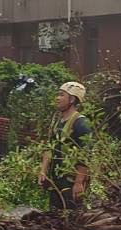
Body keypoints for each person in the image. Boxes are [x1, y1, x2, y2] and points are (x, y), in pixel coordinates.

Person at [37, 81, 92, 212]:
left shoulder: (81, 124)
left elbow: (85, 155)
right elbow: (49, 148)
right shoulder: (58, 122)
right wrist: (43, 171)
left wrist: (79, 183)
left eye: (62, 95)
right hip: (56, 181)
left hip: (71, 182)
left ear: (72, 99)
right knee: (54, 217)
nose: (57, 98)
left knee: (72, 216)